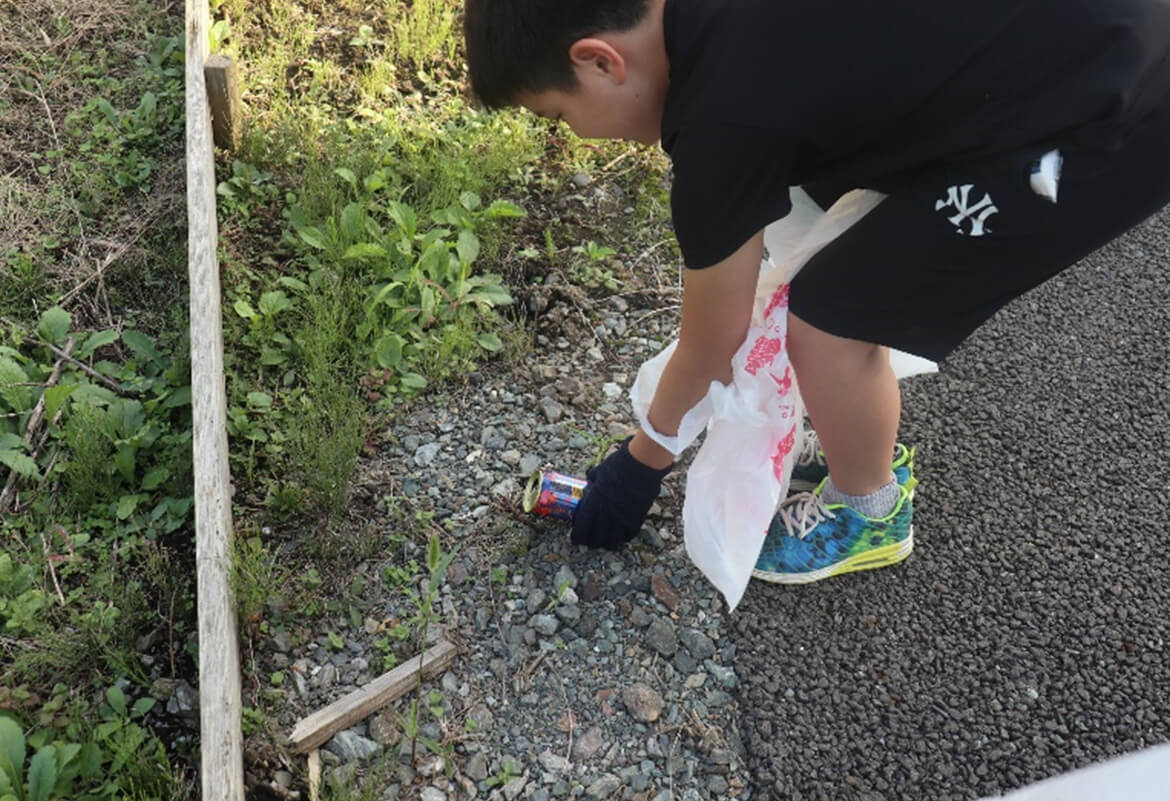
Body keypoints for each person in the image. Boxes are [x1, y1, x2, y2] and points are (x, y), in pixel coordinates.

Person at [462, 0, 1170, 583]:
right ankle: (845, 421)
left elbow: (714, 339)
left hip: (1111, 112)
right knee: (828, 236)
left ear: (599, 60)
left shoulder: (722, 117)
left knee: (832, 318)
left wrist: (639, 464)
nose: (575, 136)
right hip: (1083, 37)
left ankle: (871, 511)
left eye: (557, 117)